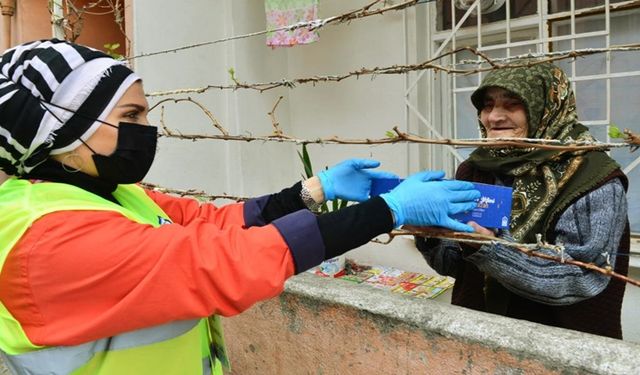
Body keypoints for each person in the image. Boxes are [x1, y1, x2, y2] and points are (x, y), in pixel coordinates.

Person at [0, 39, 480, 374]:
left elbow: (211, 224)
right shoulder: (46, 237)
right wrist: (389, 210)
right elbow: (226, 262)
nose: (148, 129)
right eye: (130, 116)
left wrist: (315, 188)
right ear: (57, 128)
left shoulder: (104, 194)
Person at [415, 61, 630, 339]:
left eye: (512, 104)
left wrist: (489, 248)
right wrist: (430, 234)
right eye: (488, 105)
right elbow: (460, 267)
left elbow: (582, 280)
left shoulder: (591, 178)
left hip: (557, 346)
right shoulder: (476, 169)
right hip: (478, 337)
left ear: (546, 107)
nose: (494, 117)